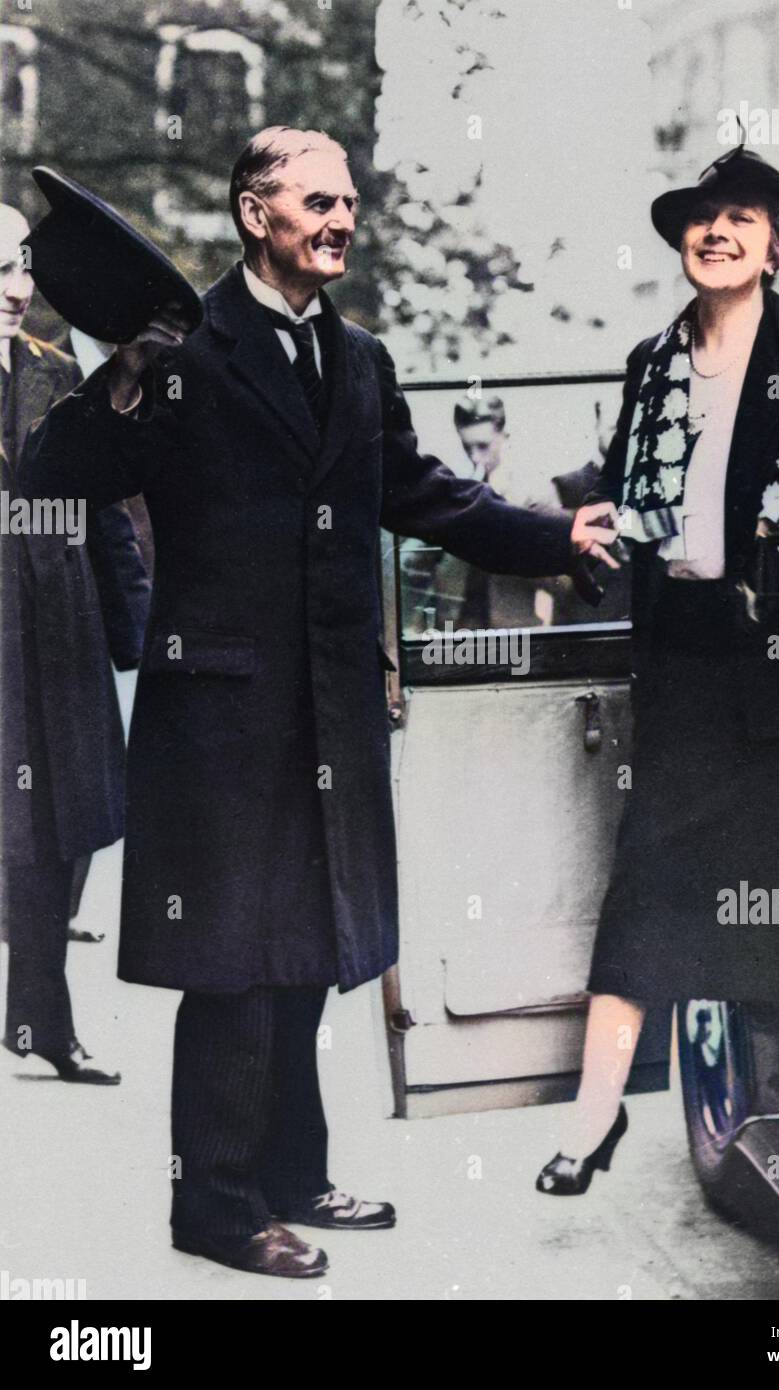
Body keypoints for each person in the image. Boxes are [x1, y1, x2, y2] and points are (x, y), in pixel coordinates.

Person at [20, 128, 615, 1278]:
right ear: (255, 212)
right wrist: (129, 376)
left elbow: (421, 490)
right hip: (220, 711)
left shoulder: (360, 358)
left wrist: (553, 535)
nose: (342, 219)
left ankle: (293, 1172)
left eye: (349, 203)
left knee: (306, 948)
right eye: (318, 201)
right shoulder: (184, 348)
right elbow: (54, 477)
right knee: (230, 964)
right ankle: (215, 1206)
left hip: (330, 706)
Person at [536, 145, 779, 1195]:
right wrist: (582, 538)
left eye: (741, 217)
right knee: (648, 891)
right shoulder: (652, 362)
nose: (716, 232)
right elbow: (624, 494)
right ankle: (592, 1115)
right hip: (687, 658)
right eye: (701, 217)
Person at [0, 202, 149, 1081]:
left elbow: (103, 515)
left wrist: (135, 641)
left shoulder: (56, 377)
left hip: (58, 630)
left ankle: (39, 1018)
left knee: (67, 824)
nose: (16, 289)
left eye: (21, 267)